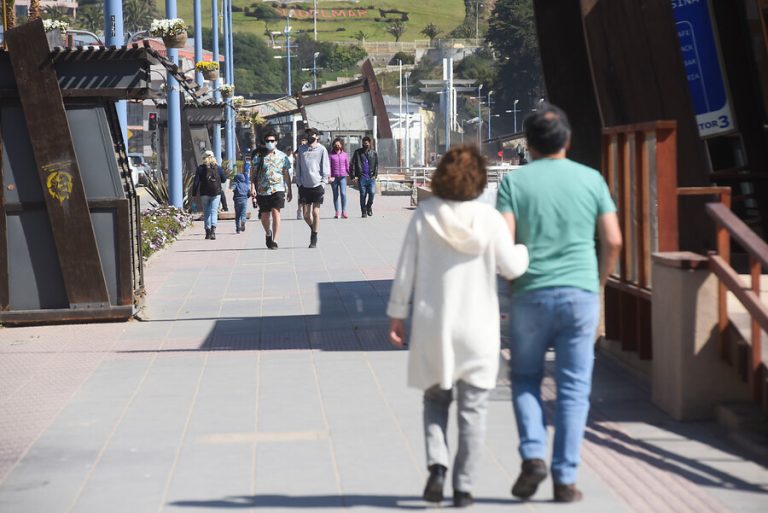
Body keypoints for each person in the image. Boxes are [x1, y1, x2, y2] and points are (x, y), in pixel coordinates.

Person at [387, 145, 530, 508]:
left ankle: (437, 466)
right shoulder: (489, 220)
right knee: (473, 410)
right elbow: (512, 268)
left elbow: (406, 271)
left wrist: (397, 315)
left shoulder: (425, 214)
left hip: (435, 326)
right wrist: (526, 251)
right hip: (478, 330)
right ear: (479, 179)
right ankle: (463, 487)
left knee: (435, 401)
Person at [496, 104, 622, 503]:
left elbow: (503, 244)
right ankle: (565, 479)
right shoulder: (592, 180)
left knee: (526, 378)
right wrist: (597, 283)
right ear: (567, 140)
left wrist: (513, 282)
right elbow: (614, 240)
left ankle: (533, 454)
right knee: (573, 388)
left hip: (530, 294)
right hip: (581, 293)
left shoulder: (514, 184)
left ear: (528, 144)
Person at [250, 130, 292, 249]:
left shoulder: (282, 156)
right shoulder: (259, 156)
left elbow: (286, 173)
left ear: (276, 142)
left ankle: (275, 240)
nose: (269, 143)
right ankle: (268, 233)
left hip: (278, 188)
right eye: (267, 141)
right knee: (265, 215)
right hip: (262, 190)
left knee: (276, 212)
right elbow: (252, 172)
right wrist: (252, 186)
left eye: (272, 141)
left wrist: (290, 190)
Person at [294, 127, 330, 248]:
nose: (310, 136)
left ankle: (313, 237)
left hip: (317, 184)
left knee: (315, 212)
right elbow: (298, 167)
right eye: (308, 134)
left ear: (317, 136)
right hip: (304, 185)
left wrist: (324, 183)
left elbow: (325, 167)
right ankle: (314, 228)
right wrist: (298, 181)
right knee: (305, 214)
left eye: (312, 134)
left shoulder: (322, 149)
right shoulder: (301, 149)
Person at [193, 150, 227, 240]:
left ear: (204, 158)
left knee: (207, 212)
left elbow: (196, 182)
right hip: (216, 193)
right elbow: (224, 179)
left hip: (204, 193)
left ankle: (207, 232)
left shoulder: (200, 168)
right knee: (213, 211)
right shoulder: (218, 168)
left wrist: (194, 193)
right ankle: (213, 231)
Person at [351, 136, 378, 218]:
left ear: (370, 143)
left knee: (372, 193)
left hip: (371, 178)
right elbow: (353, 164)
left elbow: (376, 165)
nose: (365, 144)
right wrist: (353, 176)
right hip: (361, 177)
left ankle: (368, 206)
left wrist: (375, 175)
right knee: (363, 195)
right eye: (364, 143)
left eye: (367, 143)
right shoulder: (358, 152)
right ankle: (363, 211)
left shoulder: (374, 153)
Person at [329, 137, 350, 218]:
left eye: (338, 145)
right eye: (335, 145)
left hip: (342, 177)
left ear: (341, 145)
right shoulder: (330, 155)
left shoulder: (345, 154)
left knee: (343, 194)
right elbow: (329, 167)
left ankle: (344, 211)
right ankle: (337, 211)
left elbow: (347, 166)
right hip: (334, 177)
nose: (337, 146)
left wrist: (351, 175)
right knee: (335, 195)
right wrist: (329, 176)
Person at [231, 167, 250, 234]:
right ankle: (243, 221)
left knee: (237, 215)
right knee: (243, 213)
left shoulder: (236, 184)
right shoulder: (246, 185)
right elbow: (249, 193)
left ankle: (238, 229)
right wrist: (247, 197)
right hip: (244, 200)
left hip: (237, 200)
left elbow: (232, 189)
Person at [294, 136, 308, 220]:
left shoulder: (308, 150)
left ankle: (306, 210)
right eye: (301, 143)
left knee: (307, 195)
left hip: (308, 176)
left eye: (304, 143)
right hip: (300, 176)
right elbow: (294, 154)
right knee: (300, 194)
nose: (302, 144)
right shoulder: (299, 150)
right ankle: (299, 210)